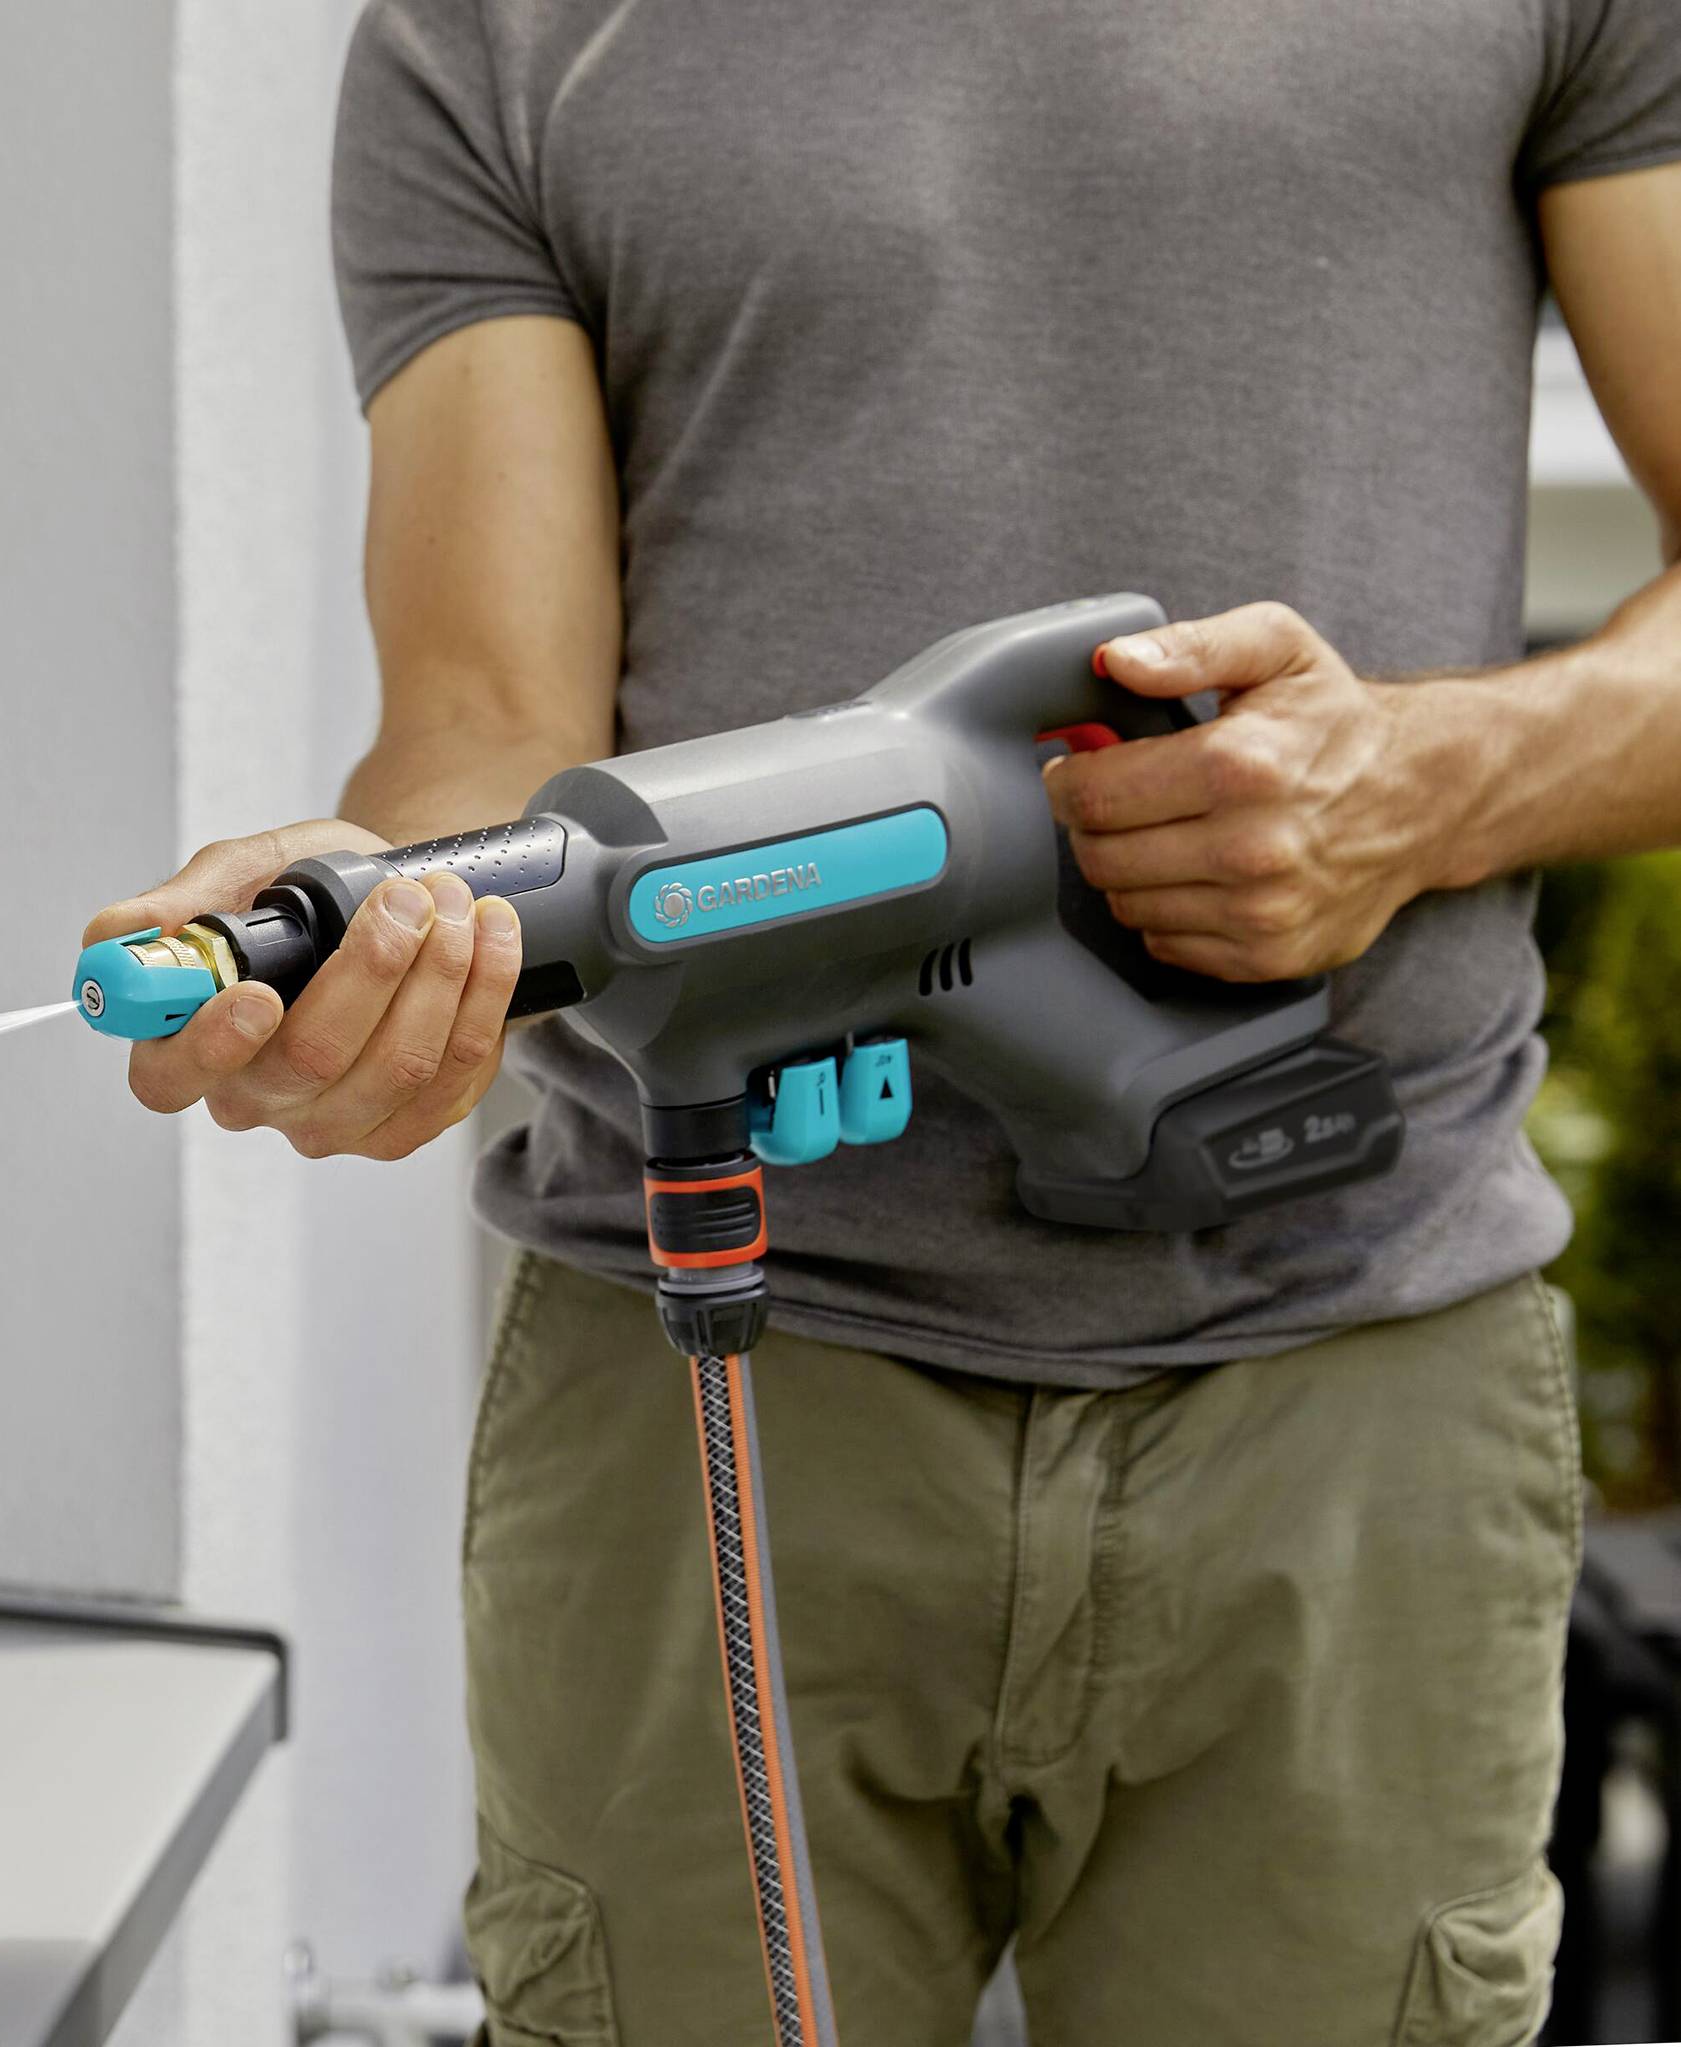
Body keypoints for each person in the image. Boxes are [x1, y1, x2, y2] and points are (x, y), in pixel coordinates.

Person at [85, 5, 1681, 2041]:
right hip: (707, 1391)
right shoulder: (489, 35)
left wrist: (1425, 782)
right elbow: (488, 719)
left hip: (1347, 1379)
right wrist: (383, 927)